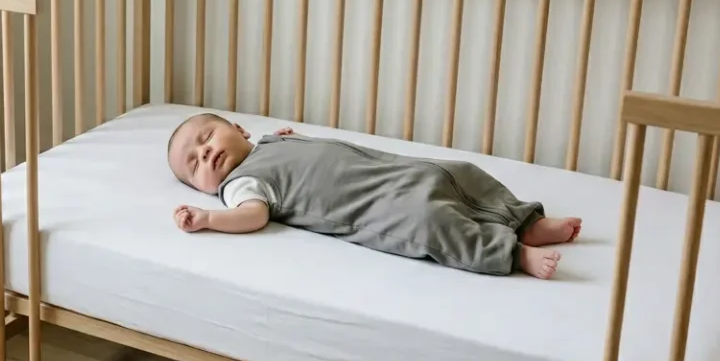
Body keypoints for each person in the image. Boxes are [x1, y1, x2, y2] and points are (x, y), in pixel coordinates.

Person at [167, 113, 580, 280]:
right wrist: (208, 219)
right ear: (203, 187)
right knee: (430, 223)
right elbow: (253, 215)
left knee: (461, 172)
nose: (204, 153)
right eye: (194, 164)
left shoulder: (273, 141)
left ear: (240, 129)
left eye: (206, 137)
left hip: (393, 169)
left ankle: (527, 221)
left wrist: (291, 140)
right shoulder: (241, 184)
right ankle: (512, 253)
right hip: (377, 206)